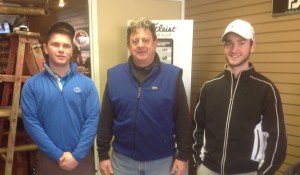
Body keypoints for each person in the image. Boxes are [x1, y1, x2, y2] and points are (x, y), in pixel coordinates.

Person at [97, 17, 190, 175]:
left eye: (145, 40)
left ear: (155, 43)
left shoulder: (172, 76)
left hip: (161, 162)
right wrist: (103, 154)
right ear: (128, 45)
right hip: (123, 161)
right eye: (135, 41)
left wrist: (183, 156)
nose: (140, 45)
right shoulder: (115, 75)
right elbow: (106, 119)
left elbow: (183, 120)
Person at [192, 19, 287, 175]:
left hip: (248, 171)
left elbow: (277, 139)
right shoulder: (209, 87)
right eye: (229, 43)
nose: (234, 49)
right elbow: (196, 128)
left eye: (241, 43)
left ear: (252, 46)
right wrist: (198, 162)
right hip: (208, 169)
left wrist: (263, 172)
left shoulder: (266, 89)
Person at [21, 21, 100, 175]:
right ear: (45, 48)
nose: (61, 50)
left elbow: (92, 122)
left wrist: (76, 156)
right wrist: (57, 155)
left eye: (66, 46)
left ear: (72, 50)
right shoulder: (32, 85)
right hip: (48, 161)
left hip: (81, 162)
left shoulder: (87, 85)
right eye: (56, 45)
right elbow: (31, 123)